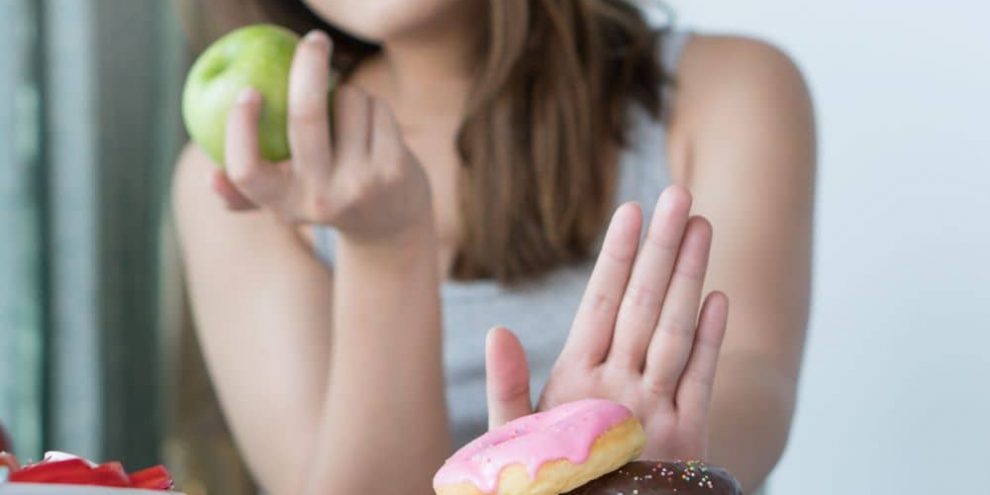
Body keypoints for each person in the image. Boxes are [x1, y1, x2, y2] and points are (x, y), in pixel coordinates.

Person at [172, 1, 815, 494]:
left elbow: (753, 384)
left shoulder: (727, 88)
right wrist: (386, 250)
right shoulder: (240, 180)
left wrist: (610, 462)